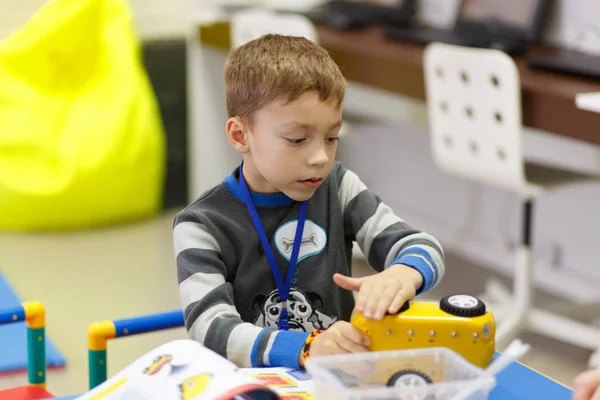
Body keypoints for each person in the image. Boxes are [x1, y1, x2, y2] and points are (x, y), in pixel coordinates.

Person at [173, 33, 445, 370]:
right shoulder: (201, 225)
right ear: (241, 136)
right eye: (297, 139)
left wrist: (404, 272)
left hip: (333, 381)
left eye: (331, 137)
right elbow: (209, 328)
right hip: (250, 384)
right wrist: (304, 347)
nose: (320, 157)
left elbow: (422, 246)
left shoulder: (339, 187)